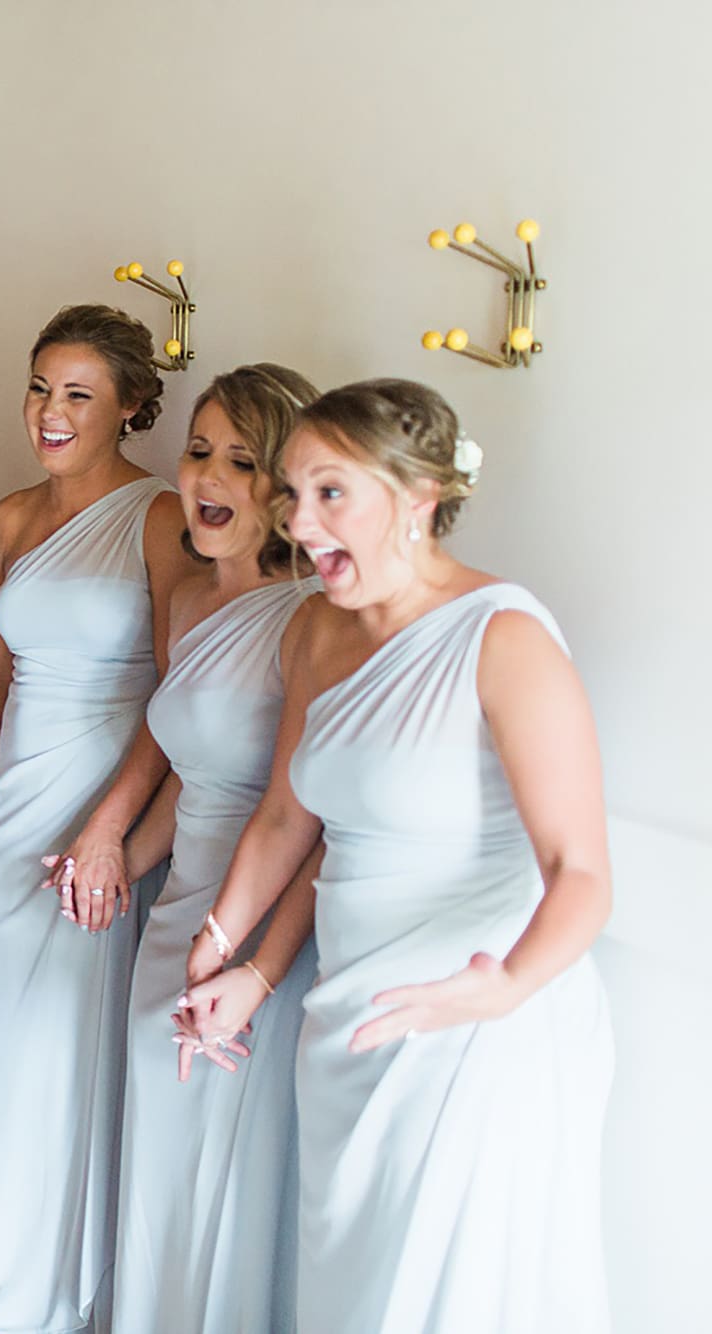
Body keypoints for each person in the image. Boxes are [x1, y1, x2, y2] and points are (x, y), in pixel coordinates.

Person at [177, 379, 613, 1333]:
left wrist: (500, 991)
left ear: (418, 497)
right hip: (348, 1009)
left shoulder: (504, 638)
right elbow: (288, 820)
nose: (301, 519)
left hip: (476, 1025)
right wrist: (224, 951)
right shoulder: (319, 630)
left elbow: (582, 873)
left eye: (332, 493)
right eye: (293, 492)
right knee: (356, 1290)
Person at [0, 304, 194, 1330]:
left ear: (127, 405)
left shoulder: (159, 515)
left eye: (76, 393)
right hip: (18, 791)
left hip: (104, 795)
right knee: (8, 1035)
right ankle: (6, 1250)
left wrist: (109, 832)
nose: (49, 410)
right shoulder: (13, 512)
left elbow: (178, 688)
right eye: (40, 386)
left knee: (72, 1039)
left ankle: (71, 1275)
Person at [54, 364, 323, 1333]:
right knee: (161, 1159)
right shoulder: (190, 602)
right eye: (199, 450)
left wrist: (243, 955)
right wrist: (111, 859)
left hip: (256, 942)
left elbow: (305, 823)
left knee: (224, 1177)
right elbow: (192, 778)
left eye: (239, 461)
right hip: (178, 912)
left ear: (286, 484)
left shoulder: (309, 620)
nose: (206, 476)